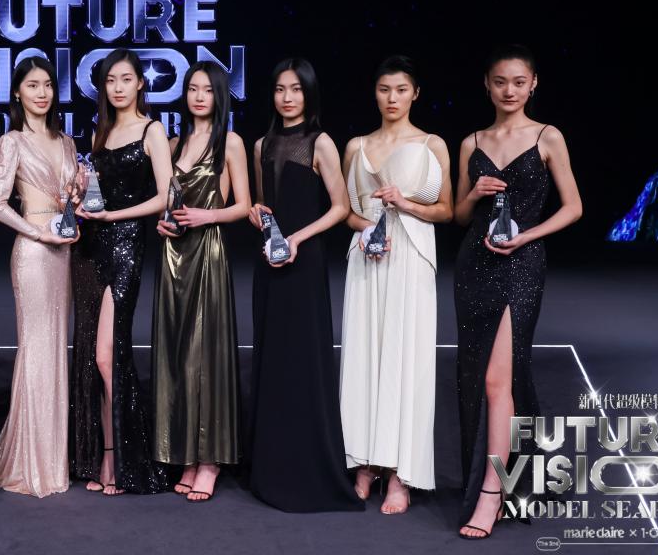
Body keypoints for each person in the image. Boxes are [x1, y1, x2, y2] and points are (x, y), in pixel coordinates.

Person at [454, 45, 581, 539]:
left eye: (519, 82)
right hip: (475, 263)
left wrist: (526, 236)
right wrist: (474, 194)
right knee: (479, 376)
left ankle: (493, 492)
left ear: (533, 85)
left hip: (522, 265)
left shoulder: (548, 136)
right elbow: (460, 217)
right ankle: (514, 476)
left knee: (496, 381)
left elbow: (573, 207)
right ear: (487, 85)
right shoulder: (472, 142)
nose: (510, 90)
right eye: (500, 82)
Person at [247, 58, 362, 513]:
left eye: (295, 89)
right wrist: (258, 215)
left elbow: (341, 207)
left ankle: (308, 467)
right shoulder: (261, 145)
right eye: (280, 89)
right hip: (269, 262)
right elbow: (264, 204)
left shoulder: (321, 142)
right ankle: (271, 467)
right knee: (272, 358)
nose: (287, 97)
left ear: (309, 94)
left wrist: (297, 238)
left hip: (304, 262)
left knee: (303, 360)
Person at [339, 56, 452, 514]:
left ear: (415, 94)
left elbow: (447, 210)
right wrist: (367, 229)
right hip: (368, 255)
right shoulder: (356, 145)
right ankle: (365, 463)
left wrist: (405, 204)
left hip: (412, 256)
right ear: (375, 92)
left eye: (401, 90)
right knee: (364, 355)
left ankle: (400, 473)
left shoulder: (431, 143)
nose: (392, 98)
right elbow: (347, 211)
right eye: (385, 89)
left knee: (407, 359)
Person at [71, 48, 172, 496]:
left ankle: (122, 460)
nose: (118, 88)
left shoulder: (152, 130)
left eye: (126, 79)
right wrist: (79, 194)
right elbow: (95, 191)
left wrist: (113, 216)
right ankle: (104, 454)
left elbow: (165, 196)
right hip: (89, 247)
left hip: (127, 244)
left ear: (140, 83)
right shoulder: (102, 130)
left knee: (107, 355)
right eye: (110, 80)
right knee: (93, 358)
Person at [151, 61, 251, 502]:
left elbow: (244, 205)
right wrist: (163, 223)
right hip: (173, 255)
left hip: (208, 251)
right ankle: (187, 455)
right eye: (192, 88)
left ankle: (210, 460)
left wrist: (207, 215)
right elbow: (165, 201)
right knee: (177, 353)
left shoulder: (230, 142)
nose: (198, 97)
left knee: (204, 353)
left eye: (207, 90)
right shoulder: (174, 143)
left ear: (219, 95)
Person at [0, 57, 79, 498]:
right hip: (33, 252)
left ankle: (52, 457)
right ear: (17, 92)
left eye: (47, 85)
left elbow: (70, 199)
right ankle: (30, 462)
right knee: (37, 347)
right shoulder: (12, 142)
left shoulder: (68, 142)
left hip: (64, 252)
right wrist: (37, 232)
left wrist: (76, 199)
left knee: (55, 348)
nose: (42, 93)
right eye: (32, 85)